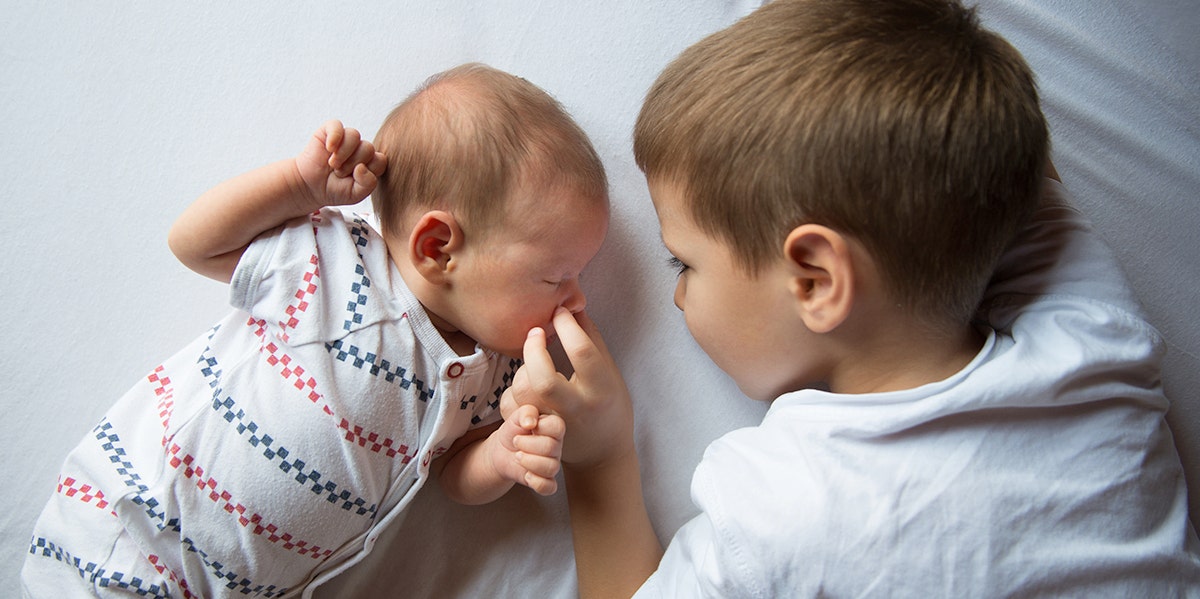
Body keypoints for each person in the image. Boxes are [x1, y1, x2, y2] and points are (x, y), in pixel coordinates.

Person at [501, 0, 1200, 596]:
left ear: (815, 279)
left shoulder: (783, 505)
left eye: (683, 260)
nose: (677, 294)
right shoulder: (1095, 340)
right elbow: (1016, 161)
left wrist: (600, 455)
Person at [23, 63, 609, 598]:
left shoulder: (493, 375)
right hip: (138, 531)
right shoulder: (337, 268)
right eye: (557, 276)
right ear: (437, 249)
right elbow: (195, 244)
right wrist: (298, 189)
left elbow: (453, 473)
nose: (577, 298)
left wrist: (501, 457)